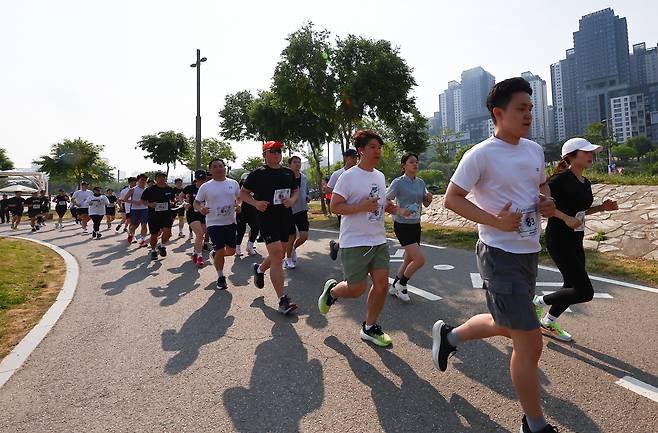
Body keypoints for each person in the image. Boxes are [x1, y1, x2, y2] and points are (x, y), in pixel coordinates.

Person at [432, 78, 558, 433]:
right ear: (498, 113)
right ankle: (534, 425)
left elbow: (541, 186)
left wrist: (547, 201)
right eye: (521, 109)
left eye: (531, 108)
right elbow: (452, 198)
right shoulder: (480, 154)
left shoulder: (533, 150)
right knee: (530, 342)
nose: (529, 115)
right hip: (498, 253)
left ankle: (451, 337)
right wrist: (495, 222)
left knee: (507, 325)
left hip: (529, 251)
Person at [318, 130, 400, 347]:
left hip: (378, 239)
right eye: (373, 147)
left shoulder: (380, 176)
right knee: (356, 289)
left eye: (380, 147)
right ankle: (333, 291)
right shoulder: (348, 176)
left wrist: (395, 208)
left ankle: (369, 327)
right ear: (361, 151)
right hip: (355, 241)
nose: (378, 151)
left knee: (381, 285)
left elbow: (381, 203)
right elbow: (335, 206)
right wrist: (360, 207)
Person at [533, 138, 618, 342]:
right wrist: (565, 218)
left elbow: (580, 210)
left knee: (571, 285)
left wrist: (602, 207)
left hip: (575, 239)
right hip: (559, 239)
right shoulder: (559, 179)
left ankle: (548, 323)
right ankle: (538, 301)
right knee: (584, 291)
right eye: (585, 152)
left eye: (591, 152)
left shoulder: (585, 182)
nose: (591, 155)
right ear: (571, 156)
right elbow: (544, 205)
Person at [241, 140, 299, 314]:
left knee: (278, 254)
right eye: (272, 151)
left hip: (285, 218)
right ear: (264, 154)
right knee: (277, 256)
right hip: (267, 218)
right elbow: (243, 193)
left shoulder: (288, 173)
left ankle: (259, 269)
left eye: (279, 151)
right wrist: (256, 203)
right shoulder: (257, 174)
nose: (276, 154)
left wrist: (292, 200)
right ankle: (283, 300)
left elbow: (295, 191)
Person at [386, 152, 433, 302]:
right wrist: (399, 210)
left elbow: (425, 203)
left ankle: (394, 287)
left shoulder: (420, 182)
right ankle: (402, 284)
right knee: (419, 260)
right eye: (412, 162)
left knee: (408, 260)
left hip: (415, 225)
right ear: (404, 166)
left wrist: (429, 198)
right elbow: (386, 201)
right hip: (402, 225)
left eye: (417, 162)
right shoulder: (398, 182)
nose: (415, 164)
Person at [195, 159, 240, 289]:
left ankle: (215, 255)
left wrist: (239, 205)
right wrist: (201, 209)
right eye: (215, 167)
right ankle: (221, 277)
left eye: (221, 166)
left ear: (225, 168)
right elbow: (196, 203)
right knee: (220, 250)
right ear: (210, 170)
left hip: (230, 222)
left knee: (231, 251)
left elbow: (239, 197)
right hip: (214, 224)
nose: (219, 168)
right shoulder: (206, 186)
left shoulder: (233, 183)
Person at [326, 148, 359, 260]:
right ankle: (347, 258)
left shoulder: (359, 173)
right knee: (348, 234)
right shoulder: (338, 174)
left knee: (354, 233)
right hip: (342, 208)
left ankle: (336, 247)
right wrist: (341, 193)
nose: (355, 160)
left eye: (356, 157)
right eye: (352, 157)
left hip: (357, 207)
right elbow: (328, 189)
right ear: (345, 158)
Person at [141, 172, 176, 259]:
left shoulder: (169, 189)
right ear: (156, 179)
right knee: (154, 235)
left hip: (166, 214)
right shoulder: (149, 190)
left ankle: (162, 246)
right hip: (153, 215)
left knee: (168, 233)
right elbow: (143, 200)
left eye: (163, 177)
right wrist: (150, 204)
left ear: (165, 179)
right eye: (159, 177)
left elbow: (172, 199)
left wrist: (173, 202)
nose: (161, 179)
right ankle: (153, 251)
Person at [284, 155, 311, 269]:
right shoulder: (285, 177)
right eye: (295, 162)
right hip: (289, 210)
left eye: (299, 162)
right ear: (290, 164)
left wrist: (307, 197)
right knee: (292, 236)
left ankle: (293, 249)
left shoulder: (304, 177)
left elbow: (306, 191)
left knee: (304, 236)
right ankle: (288, 259)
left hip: (302, 209)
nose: (297, 164)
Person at [184, 170, 209, 266]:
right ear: (196, 179)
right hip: (192, 214)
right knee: (199, 234)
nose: (201, 181)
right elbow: (181, 196)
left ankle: (195, 252)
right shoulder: (190, 188)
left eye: (203, 179)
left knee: (202, 235)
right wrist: (184, 203)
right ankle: (199, 256)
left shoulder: (208, 188)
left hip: (203, 214)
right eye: (199, 179)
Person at [235, 172, 260, 257]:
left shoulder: (255, 186)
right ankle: (237, 246)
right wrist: (238, 205)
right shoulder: (240, 187)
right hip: (242, 211)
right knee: (241, 230)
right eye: (244, 181)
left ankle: (250, 245)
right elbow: (238, 198)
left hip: (252, 211)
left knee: (256, 227)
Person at [124, 174, 149, 247]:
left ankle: (142, 240)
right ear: (138, 180)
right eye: (142, 180)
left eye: (145, 180)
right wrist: (135, 202)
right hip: (134, 209)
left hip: (144, 209)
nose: (143, 181)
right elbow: (125, 199)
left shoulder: (147, 190)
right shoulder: (133, 189)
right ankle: (131, 234)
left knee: (144, 225)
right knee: (134, 225)